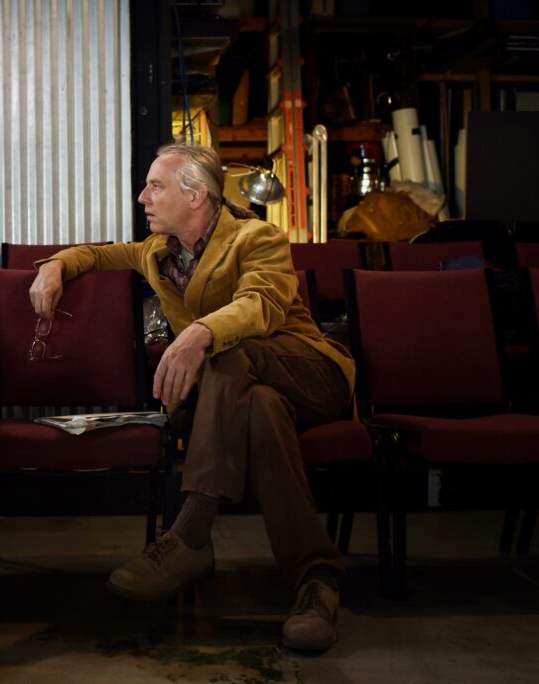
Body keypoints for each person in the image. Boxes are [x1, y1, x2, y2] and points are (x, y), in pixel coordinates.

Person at [29, 143, 356, 652]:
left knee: (228, 353)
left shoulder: (257, 236)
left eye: (155, 186)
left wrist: (199, 333)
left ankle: (192, 532)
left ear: (197, 196)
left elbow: (261, 304)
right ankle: (317, 582)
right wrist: (54, 267)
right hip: (256, 396)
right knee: (262, 410)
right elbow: (97, 253)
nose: (143, 197)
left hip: (308, 373)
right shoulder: (157, 253)